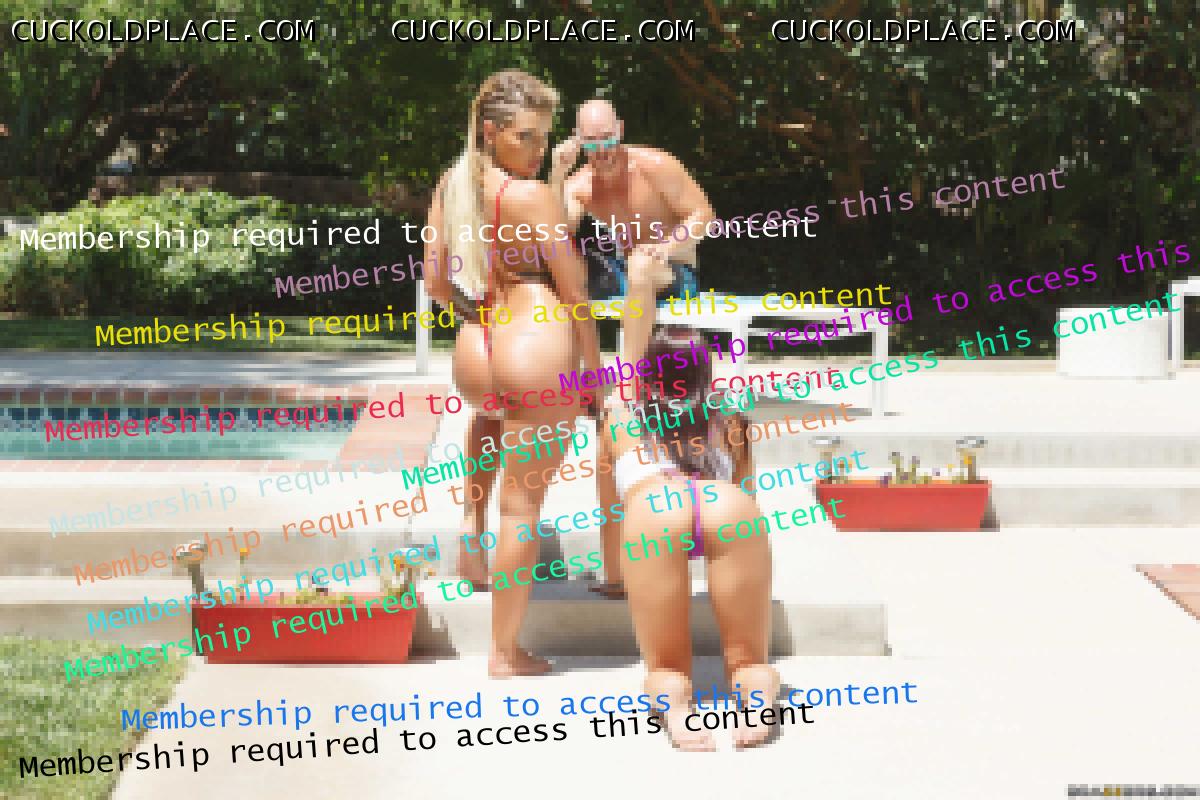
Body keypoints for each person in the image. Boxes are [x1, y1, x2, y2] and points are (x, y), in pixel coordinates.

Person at [423, 70, 603, 677]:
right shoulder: (531, 197)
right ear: (490, 131)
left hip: (478, 346)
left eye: (543, 138)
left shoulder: (453, 184)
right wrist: (594, 376)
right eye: (525, 137)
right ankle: (504, 651)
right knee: (522, 510)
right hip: (535, 342)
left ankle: (471, 547)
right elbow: (575, 294)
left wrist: (478, 315)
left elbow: (437, 283)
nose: (537, 150)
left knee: (488, 429)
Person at [549, 98, 716, 598]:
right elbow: (555, 234)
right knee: (566, 272)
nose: (601, 151)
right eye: (591, 143)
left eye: (608, 139)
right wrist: (556, 174)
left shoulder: (654, 165)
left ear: (620, 130)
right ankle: (579, 382)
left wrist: (667, 245)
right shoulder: (580, 184)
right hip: (622, 270)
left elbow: (703, 214)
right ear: (578, 141)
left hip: (672, 266)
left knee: (643, 264)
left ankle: (624, 384)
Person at [602, 325, 780, 750]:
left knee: (666, 668)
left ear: (647, 374)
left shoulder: (619, 419)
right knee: (749, 660)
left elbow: (610, 513)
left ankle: (678, 706)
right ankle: (756, 697)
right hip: (727, 506)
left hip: (655, 511)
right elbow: (747, 494)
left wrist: (615, 576)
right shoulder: (731, 419)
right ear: (706, 372)